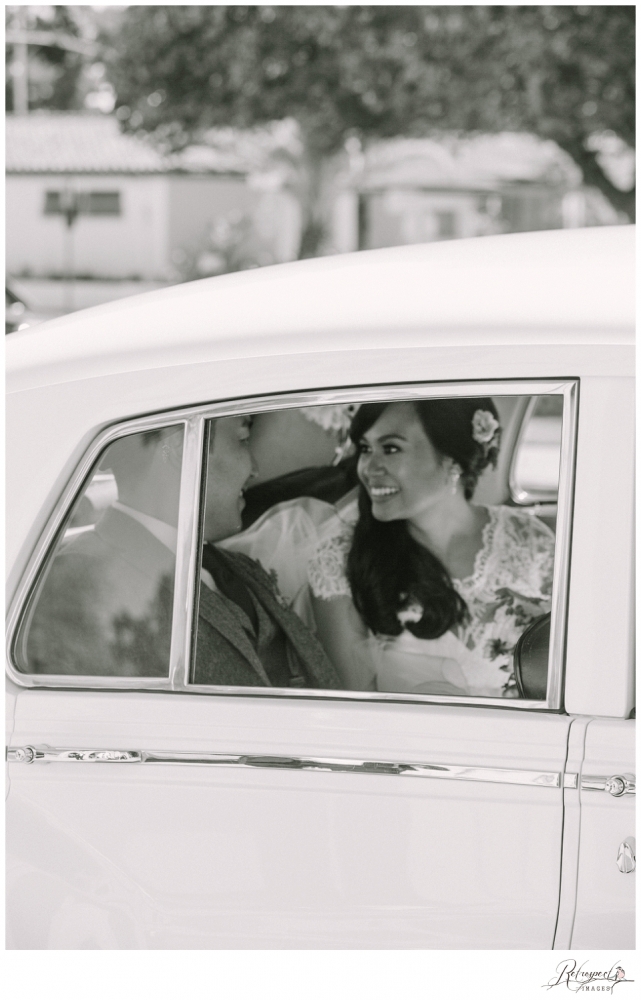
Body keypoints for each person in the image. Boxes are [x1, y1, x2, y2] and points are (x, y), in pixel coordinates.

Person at [306, 398, 555, 698]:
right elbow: (356, 704)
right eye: (364, 448)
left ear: (451, 459)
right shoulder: (338, 559)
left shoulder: (529, 538)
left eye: (391, 448)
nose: (368, 468)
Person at [192, 415, 341, 690]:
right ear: (183, 450)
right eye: (242, 440)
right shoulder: (109, 592)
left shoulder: (240, 565)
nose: (255, 469)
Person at [23, 426, 184, 676]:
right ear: (178, 449)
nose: (254, 469)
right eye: (242, 440)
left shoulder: (199, 557)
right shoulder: (77, 577)